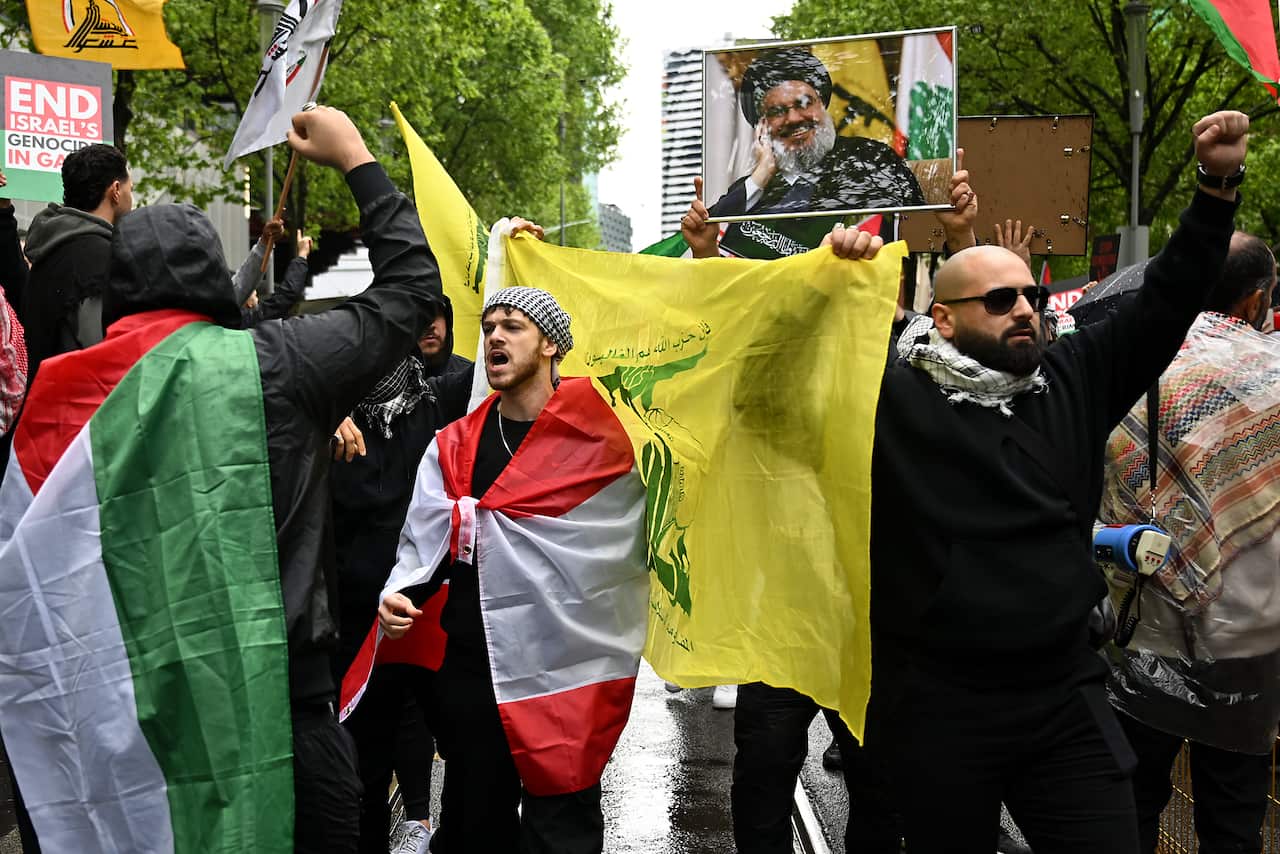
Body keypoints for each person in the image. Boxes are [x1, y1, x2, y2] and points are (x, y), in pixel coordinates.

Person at [0, 105, 444, 854]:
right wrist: (357, 158)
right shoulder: (281, 363)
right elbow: (410, 291)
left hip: (125, 714)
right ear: (212, 275)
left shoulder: (56, 397)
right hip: (288, 701)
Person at [865, 110, 1248, 853]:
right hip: (939, 706)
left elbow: (1170, 294)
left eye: (1031, 299)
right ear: (940, 319)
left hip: (1062, 698)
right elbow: (786, 367)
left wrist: (1215, 186)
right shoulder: (891, 394)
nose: (1025, 312)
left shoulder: (1074, 377)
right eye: (1001, 300)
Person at [721, 157, 979, 854]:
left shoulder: (916, 352)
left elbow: (979, 362)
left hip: (880, 615)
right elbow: (748, 388)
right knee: (765, 774)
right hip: (787, 608)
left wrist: (961, 241)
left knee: (880, 784)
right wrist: (819, 286)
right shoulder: (795, 352)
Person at [1100, 232, 1280, 854]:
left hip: (1143, 624)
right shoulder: (1275, 377)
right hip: (1251, 638)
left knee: (1133, 802)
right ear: (1256, 299)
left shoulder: (1134, 362)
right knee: (1233, 816)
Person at [331, 347, 473, 854]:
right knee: (359, 759)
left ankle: (424, 824)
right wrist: (323, 416)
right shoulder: (331, 418)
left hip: (428, 610)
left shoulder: (440, 402)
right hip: (355, 620)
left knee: (465, 746)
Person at [20, 142, 132, 386]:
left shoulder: (50, 248)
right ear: (115, 190)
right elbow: (98, 350)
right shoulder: (99, 255)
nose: (130, 196)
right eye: (129, 188)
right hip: (80, 410)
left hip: (43, 402)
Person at [242, 228, 313, 326]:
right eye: (253, 294)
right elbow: (285, 297)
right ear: (248, 303)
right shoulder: (249, 319)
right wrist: (302, 254)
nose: (256, 292)